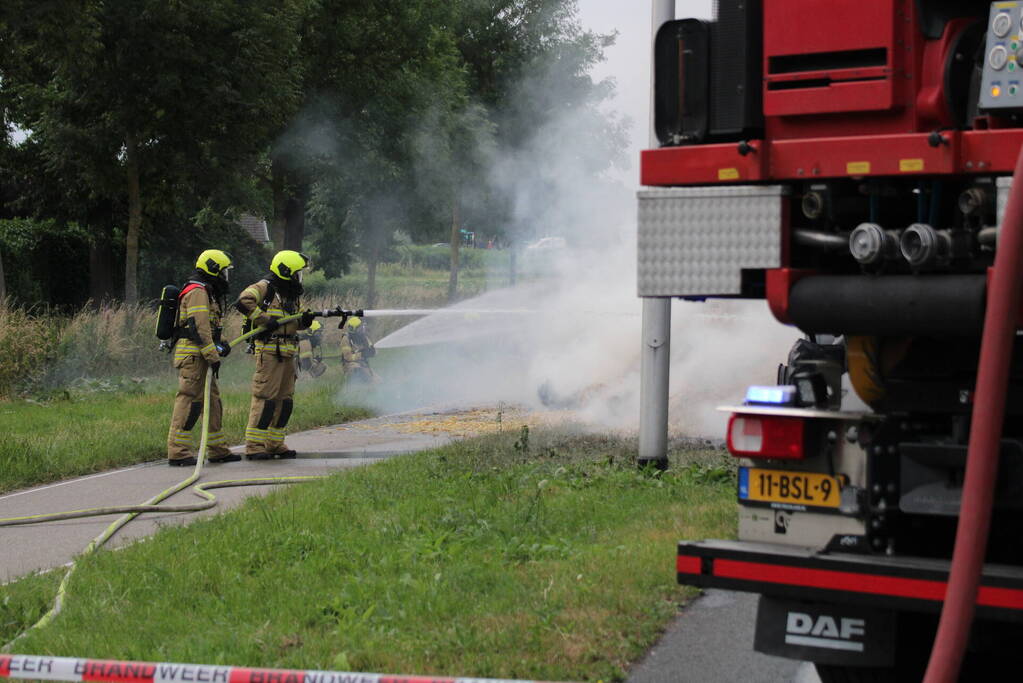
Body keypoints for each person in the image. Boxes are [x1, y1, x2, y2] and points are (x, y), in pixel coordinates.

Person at [235, 250, 315, 460]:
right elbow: (243, 301)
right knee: (266, 399)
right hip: (269, 352)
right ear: (286, 271)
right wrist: (264, 319)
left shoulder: (290, 294)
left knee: (285, 401)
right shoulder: (265, 287)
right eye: (297, 273)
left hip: (288, 352)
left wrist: (304, 321)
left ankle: (275, 444)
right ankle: (254, 446)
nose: (299, 277)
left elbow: (292, 323)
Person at [167, 249, 240, 466]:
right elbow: (198, 328)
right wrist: (212, 354)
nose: (225, 276)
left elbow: (210, 326)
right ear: (213, 269)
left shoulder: (206, 291)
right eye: (223, 271)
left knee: (213, 403)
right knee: (189, 401)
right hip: (193, 355)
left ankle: (217, 450)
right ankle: (178, 451)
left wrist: (221, 343)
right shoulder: (198, 291)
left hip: (201, 354)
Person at [339, 316, 377, 384]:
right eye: (361, 327)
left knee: (378, 382)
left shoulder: (364, 337)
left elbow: (372, 349)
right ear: (355, 329)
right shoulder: (346, 339)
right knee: (356, 369)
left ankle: (365, 381)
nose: (363, 329)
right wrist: (362, 354)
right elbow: (348, 357)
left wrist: (373, 352)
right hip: (350, 365)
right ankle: (354, 384)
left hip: (363, 364)